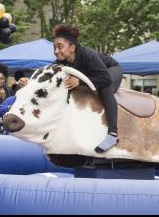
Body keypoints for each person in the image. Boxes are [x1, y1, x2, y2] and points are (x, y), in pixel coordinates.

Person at [53, 24, 123, 152]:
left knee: (104, 88)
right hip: (91, 76)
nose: (56, 51)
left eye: (60, 47)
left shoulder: (88, 55)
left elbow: (105, 78)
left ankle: (113, 134)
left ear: (72, 47)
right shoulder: (61, 61)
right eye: (55, 47)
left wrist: (79, 82)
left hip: (110, 70)